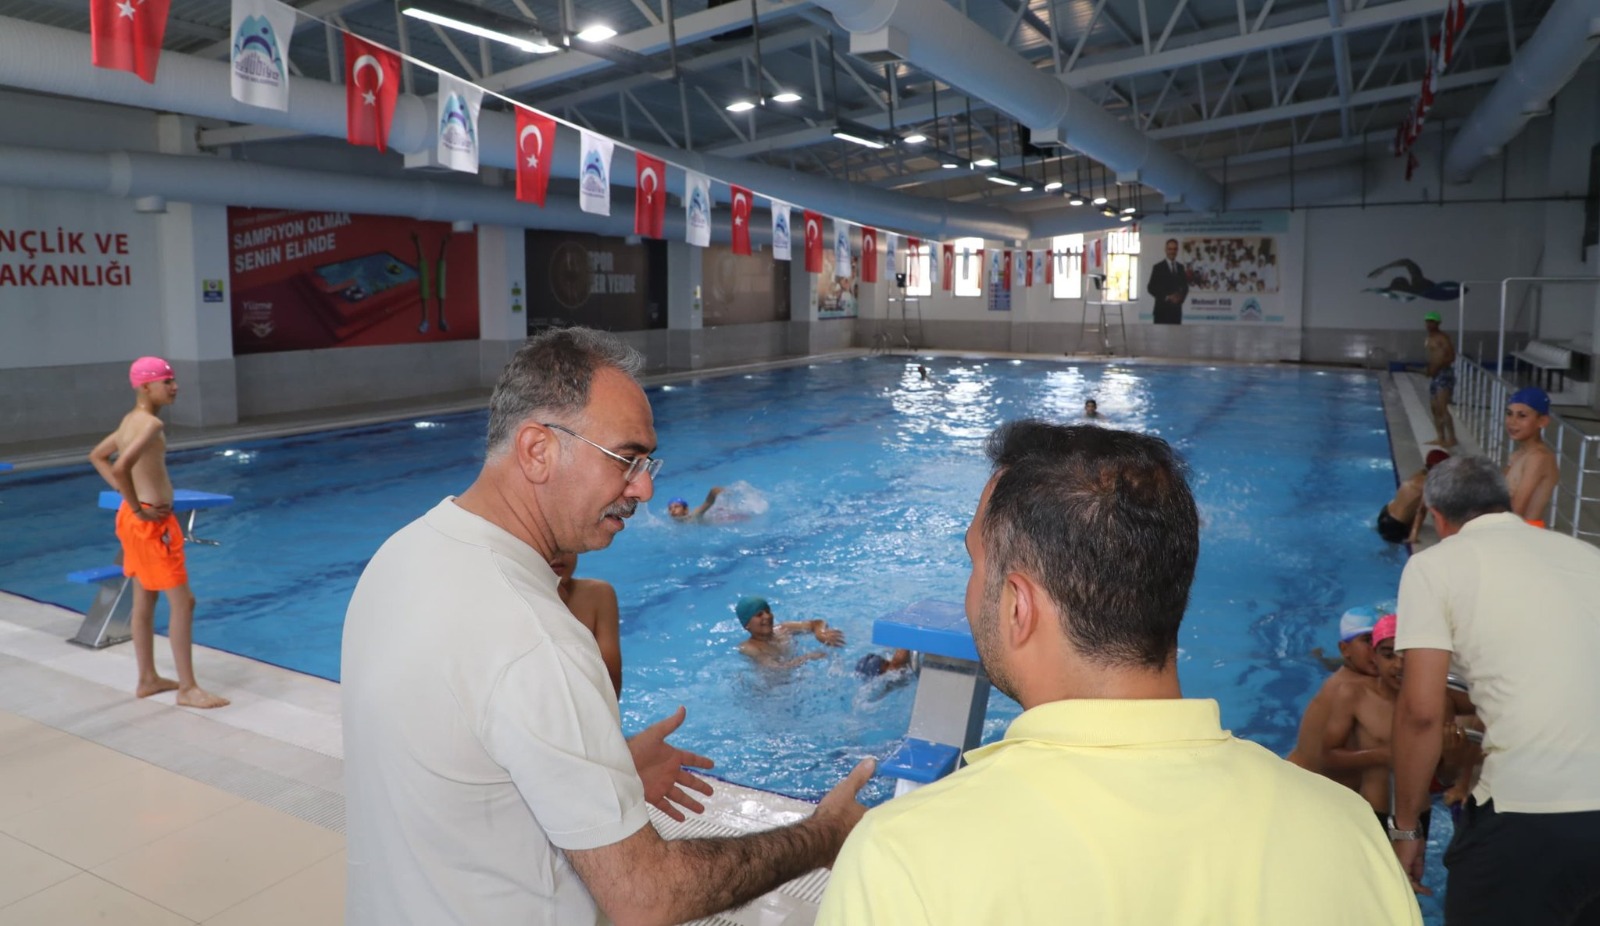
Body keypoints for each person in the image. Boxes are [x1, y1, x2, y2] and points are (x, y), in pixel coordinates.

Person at [342, 328, 874, 926]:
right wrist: (821, 835)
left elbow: (460, 766)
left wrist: (604, 763)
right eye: (627, 459)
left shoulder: (401, 555)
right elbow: (648, 897)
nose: (644, 489)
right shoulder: (535, 636)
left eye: (647, 463)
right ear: (538, 450)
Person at [817, 422, 1422, 925]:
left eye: (975, 561)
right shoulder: (1348, 835)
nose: (969, 588)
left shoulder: (903, 857)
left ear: (1018, 607)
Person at [1391, 456, 1600, 924]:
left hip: (1532, 812)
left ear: (1439, 517)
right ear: (1504, 502)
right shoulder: (1586, 555)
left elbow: (1420, 713)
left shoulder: (1435, 566)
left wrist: (1407, 830)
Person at [87, 357, 229, 710]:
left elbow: (97, 456)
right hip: (151, 525)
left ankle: (147, 678)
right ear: (145, 387)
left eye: (173, 380)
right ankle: (188, 688)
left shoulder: (129, 421)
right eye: (167, 381)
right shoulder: (149, 424)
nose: (174, 386)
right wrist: (138, 506)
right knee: (184, 601)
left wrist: (129, 502)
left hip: (134, 521)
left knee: (144, 597)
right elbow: (120, 466)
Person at [1287, 606, 1379, 787]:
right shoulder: (1354, 689)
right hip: (1311, 793)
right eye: (1367, 640)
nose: (1375, 650)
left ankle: (1320, 658)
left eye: (1381, 643)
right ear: (1345, 649)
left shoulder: (1347, 677)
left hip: (1295, 778)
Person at [549, 553, 622, 697]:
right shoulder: (513, 599)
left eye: (565, 545)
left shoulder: (598, 594)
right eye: (549, 545)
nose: (558, 555)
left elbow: (612, 685)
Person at [735, 595, 845, 668]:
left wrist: (820, 633)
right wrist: (808, 657)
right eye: (759, 614)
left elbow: (816, 623)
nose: (767, 616)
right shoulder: (748, 648)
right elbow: (777, 669)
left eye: (768, 611)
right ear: (747, 625)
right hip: (770, 692)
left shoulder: (783, 629)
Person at [1503, 386, 1559, 526]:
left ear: (1543, 421)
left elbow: (1516, 509)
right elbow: (1500, 491)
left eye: (1522, 416)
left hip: (1524, 533)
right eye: (1509, 414)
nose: (1512, 421)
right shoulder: (1518, 455)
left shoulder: (1538, 458)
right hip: (1512, 528)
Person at [1377, 449, 1450, 544]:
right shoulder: (1428, 484)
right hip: (1394, 525)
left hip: (1385, 512)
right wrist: (1413, 535)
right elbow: (1421, 511)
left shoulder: (1420, 473)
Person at [1422, 312, 1457, 448]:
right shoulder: (1430, 338)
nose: (1429, 324)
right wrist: (1431, 370)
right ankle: (1440, 437)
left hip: (1443, 374)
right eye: (1427, 321)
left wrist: (1436, 368)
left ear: (1438, 323)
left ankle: (1452, 438)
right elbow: (1433, 357)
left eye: (1432, 322)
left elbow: (1450, 357)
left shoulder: (1442, 338)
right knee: (1434, 408)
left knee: (1442, 408)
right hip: (1436, 375)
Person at [1146, 238, 1188, 325]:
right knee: (1160, 338)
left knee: (1175, 338)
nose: (1172, 251)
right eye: (1170, 249)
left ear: (1177, 250)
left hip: (1176, 312)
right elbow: (1151, 288)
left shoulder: (1181, 268)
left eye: (1174, 249)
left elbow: (1185, 287)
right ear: (1165, 250)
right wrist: (1167, 297)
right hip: (1161, 312)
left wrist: (1180, 297)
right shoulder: (1158, 268)